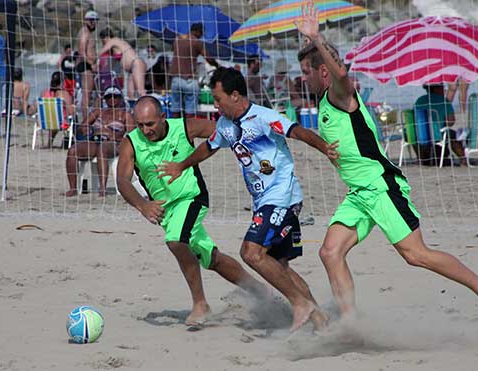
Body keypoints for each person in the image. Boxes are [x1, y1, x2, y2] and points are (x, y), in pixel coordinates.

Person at [295, 1, 478, 334]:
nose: (301, 78)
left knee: (416, 254)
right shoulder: (323, 101)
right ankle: (350, 325)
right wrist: (306, 43)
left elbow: (341, 74)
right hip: (359, 194)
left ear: (322, 71)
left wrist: (317, 39)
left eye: (306, 71)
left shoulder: (340, 93)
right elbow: (327, 74)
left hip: (381, 187)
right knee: (329, 251)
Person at [157, 67, 339, 332]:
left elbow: (297, 131)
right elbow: (208, 147)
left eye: (217, 99)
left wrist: (325, 148)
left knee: (250, 253)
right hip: (264, 201)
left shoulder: (263, 117)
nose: (215, 105)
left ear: (234, 95)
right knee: (278, 266)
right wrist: (181, 165)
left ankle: (301, 304)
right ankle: (320, 321)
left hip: (282, 197)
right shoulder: (225, 125)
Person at [116, 95, 271, 327]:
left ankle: (200, 304)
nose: (145, 130)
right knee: (213, 259)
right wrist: (143, 205)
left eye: (150, 124)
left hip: (192, 198)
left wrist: (250, 147)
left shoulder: (184, 127)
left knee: (176, 241)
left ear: (162, 117)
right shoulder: (131, 142)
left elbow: (221, 130)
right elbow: (122, 180)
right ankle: (259, 291)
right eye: (140, 125)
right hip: (166, 212)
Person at [65, 86, 132, 196]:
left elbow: (131, 135)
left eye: (115, 97)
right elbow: (82, 127)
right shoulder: (98, 112)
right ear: (105, 99)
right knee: (73, 150)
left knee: (103, 149)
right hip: (95, 140)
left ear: (120, 98)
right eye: (109, 97)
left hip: (115, 143)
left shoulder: (125, 115)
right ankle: (73, 188)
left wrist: (115, 135)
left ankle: (102, 188)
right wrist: (86, 129)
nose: (112, 99)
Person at [169, 23, 219, 119]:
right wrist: (217, 65)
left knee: (176, 109)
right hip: (189, 80)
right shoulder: (196, 42)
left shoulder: (177, 39)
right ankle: (189, 130)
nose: (201, 36)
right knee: (190, 111)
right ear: (197, 31)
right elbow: (208, 58)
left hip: (175, 79)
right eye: (201, 33)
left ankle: (174, 129)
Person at [414, 84, 467, 166]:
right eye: (442, 87)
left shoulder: (419, 100)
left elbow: (415, 118)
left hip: (421, 134)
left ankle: (420, 158)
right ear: (436, 89)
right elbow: (451, 122)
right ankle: (463, 159)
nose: (444, 89)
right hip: (438, 134)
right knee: (454, 135)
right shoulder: (444, 101)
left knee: (413, 134)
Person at [97, 27, 147, 98]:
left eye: (102, 41)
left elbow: (100, 53)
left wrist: (92, 60)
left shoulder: (113, 41)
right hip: (132, 69)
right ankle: (133, 108)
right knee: (130, 94)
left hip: (136, 63)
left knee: (140, 91)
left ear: (106, 37)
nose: (103, 43)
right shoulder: (115, 46)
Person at [40, 71, 74, 148]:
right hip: (61, 123)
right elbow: (71, 112)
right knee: (73, 119)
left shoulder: (44, 92)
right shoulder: (64, 94)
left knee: (54, 118)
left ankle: (50, 142)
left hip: (45, 122)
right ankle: (71, 142)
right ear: (63, 81)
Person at [76, 10, 99, 123]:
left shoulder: (88, 33)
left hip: (88, 65)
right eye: (91, 20)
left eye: (95, 20)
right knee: (87, 94)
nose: (93, 23)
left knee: (93, 94)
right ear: (85, 21)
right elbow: (81, 51)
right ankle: (86, 121)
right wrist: (91, 64)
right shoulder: (84, 32)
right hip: (86, 66)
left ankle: (91, 119)